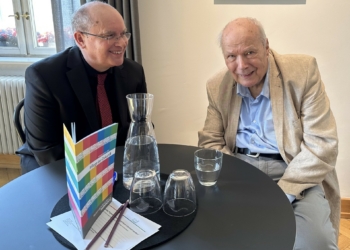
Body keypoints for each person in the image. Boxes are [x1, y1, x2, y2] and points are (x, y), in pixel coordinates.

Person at [198, 17, 340, 249]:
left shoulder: (302, 73)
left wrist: (280, 195)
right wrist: (241, 181)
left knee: (314, 243)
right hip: (239, 171)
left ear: (266, 47)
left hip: (296, 172)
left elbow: (321, 145)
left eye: (250, 52)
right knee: (214, 236)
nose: (241, 65)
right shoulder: (217, 86)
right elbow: (210, 142)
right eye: (231, 56)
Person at [16, 1, 147, 174]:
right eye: (110, 35)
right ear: (80, 39)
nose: (121, 42)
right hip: (55, 169)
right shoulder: (44, 76)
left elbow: (141, 127)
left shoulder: (133, 72)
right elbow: (46, 152)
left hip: (113, 166)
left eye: (123, 34)